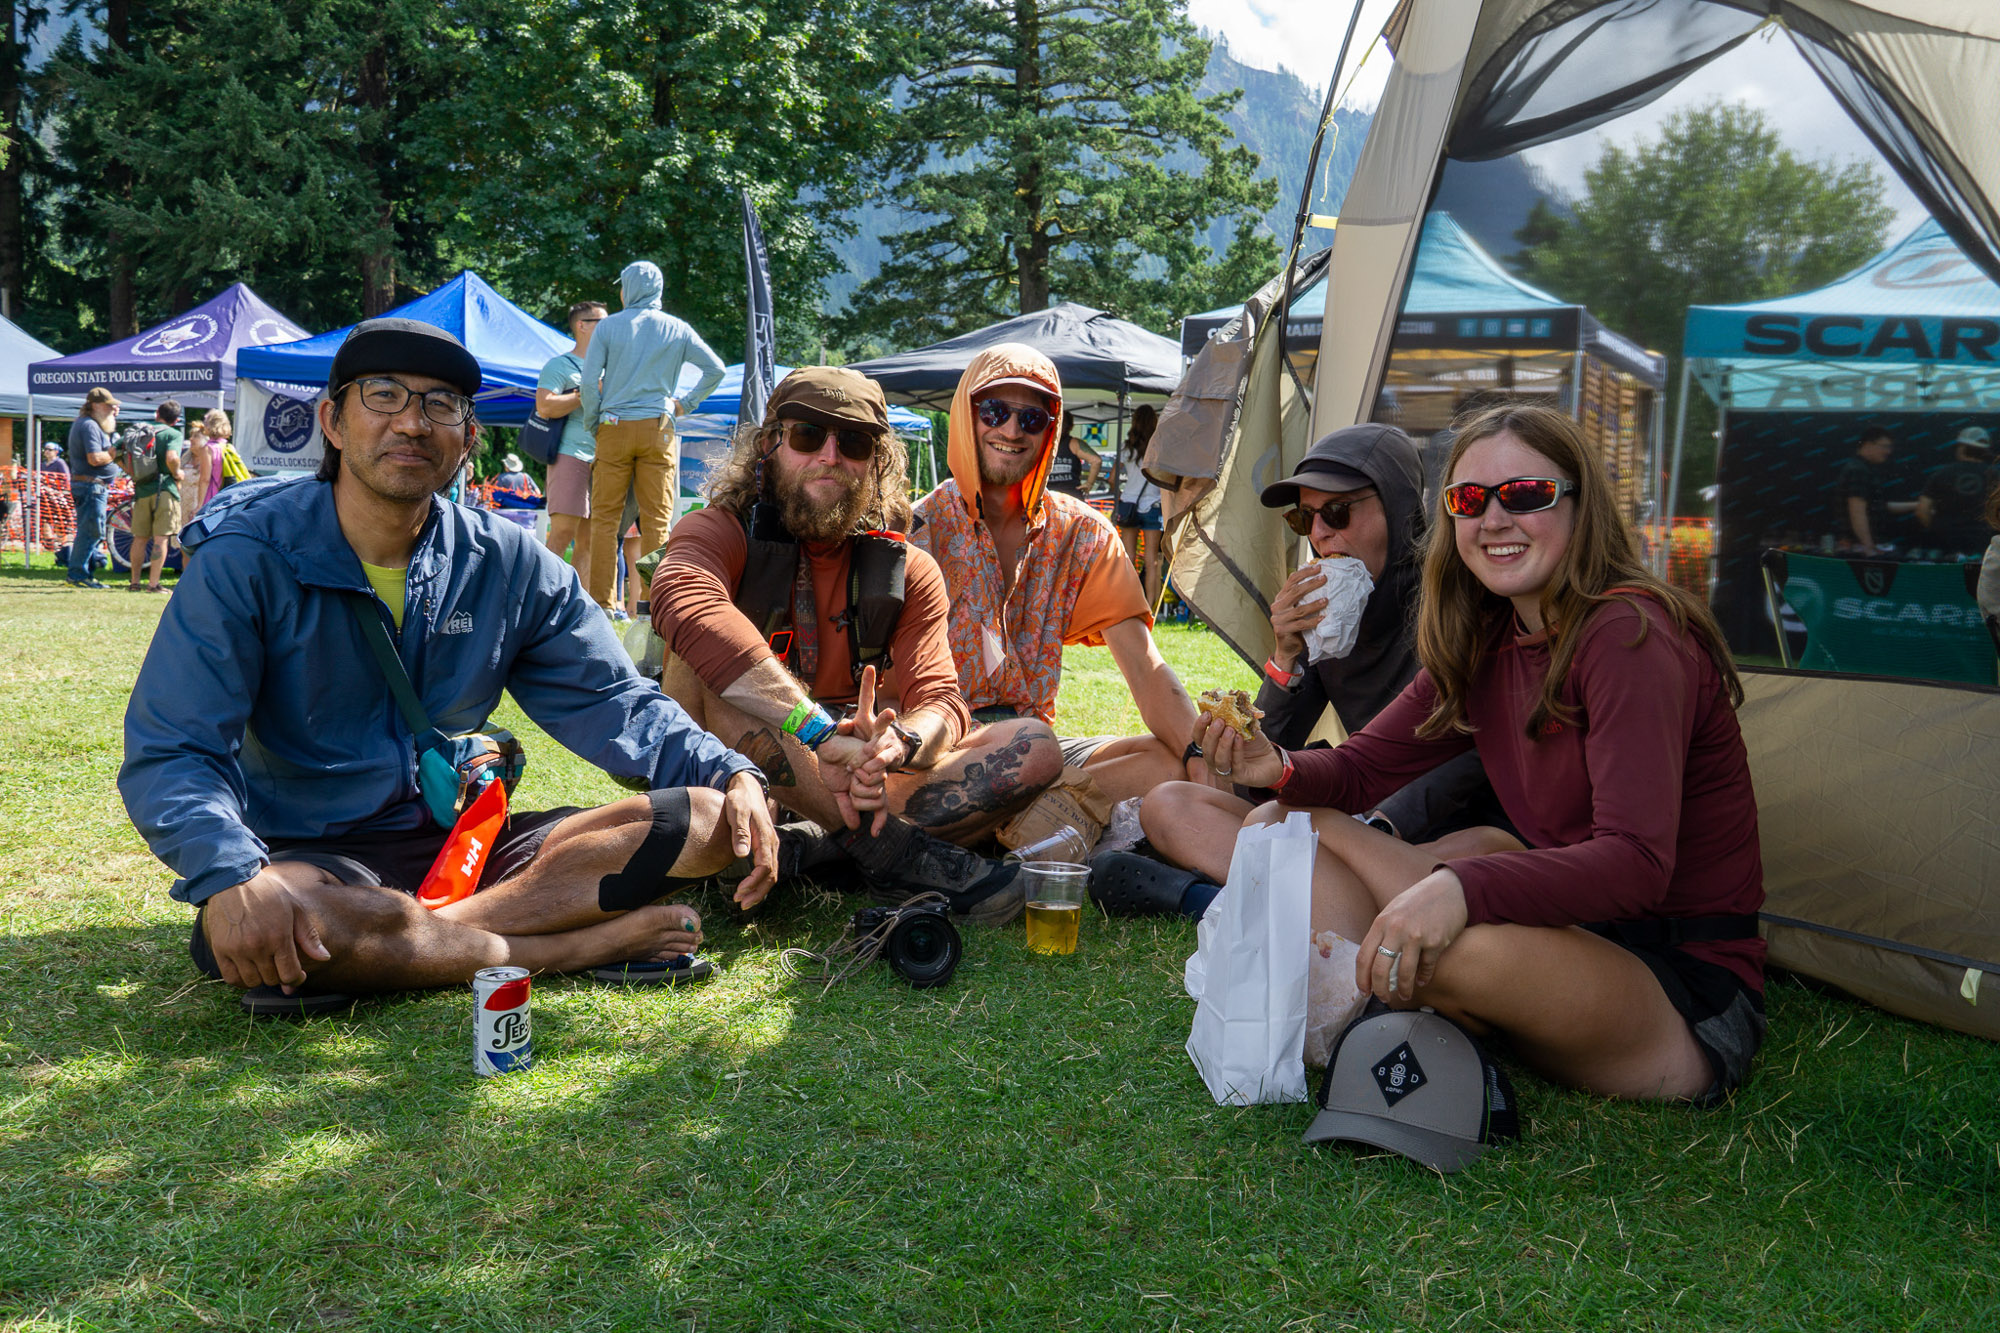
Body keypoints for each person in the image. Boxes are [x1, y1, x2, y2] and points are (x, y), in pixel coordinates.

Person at [119, 317, 778, 1009]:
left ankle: (408, 945)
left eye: (439, 404)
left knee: (705, 820)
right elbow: (174, 749)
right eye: (383, 395)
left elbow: (615, 697)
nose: (411, 422)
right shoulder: (247, 556)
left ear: (467, 440)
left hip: (471, 845)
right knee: (289, 919)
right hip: (313, 860)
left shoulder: (509, 561)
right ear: (332, 422)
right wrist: (229, 875)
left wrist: (728, 768)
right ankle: (576, 946)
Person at [1192, 404, 1765, 1105]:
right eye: (1469, 499)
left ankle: (1367, 1005)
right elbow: (1364, 767)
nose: (1493, 519)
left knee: (1436, 944)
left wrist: (1460, 889)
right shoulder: (1487, 633)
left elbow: (1637, 864)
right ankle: (1372, 1002)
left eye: (1524, 494)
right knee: (1281, 820)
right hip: (1569, 929)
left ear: (1580, 505)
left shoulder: (1627, 635)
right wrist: (1271, 765)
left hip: (1679, 988)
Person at [653, 366, 1062, 920]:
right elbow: (685, 601)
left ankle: (816, 845)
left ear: (876, 462)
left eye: (853, 442)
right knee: (706, 667)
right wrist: (819, 733)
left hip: (858, 778)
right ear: (769, 445)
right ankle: (888, 850)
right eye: (807, 436)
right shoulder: (718, 531)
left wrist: (899, 745)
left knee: (1032, 747)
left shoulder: (909, 568)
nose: (830, 455)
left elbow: (942, 700)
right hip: (732, 772)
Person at [1137, 423, 1509, 915]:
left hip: (1437, 831)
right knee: (1169, 805)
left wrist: (1377, 826)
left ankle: (1211, 900)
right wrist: (1286, 657)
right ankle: (1327, 898)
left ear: (1397, 511)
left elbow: (1477, 754)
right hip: (1352, 817)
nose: (1318, 534)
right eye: (1304, 519)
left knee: (1482, 848)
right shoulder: (1328, 614)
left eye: (1337, 512)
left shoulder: (1463, 604)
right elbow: (1261, 775)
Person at [910, 344, 1212, 802]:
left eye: (1032, 419)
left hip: (1042, 755)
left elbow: (1145, 666)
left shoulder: (1083, 533)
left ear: (1051, 430)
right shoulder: (918, 531)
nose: (1011, 430)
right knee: (1027, 750)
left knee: (1166, 764)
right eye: (994, 411)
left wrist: (1197, 753)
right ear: (966, 416)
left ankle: (992, 822)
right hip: (942, 749)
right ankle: (1030, 821)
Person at [578, 262, 726, 613]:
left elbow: (587, 382)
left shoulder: (609, 326)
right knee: (657, 520)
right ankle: (650, 603)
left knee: (604, 520)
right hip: (659, 427)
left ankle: (603, 604)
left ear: (626, 288)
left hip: (613, 426)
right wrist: (685, 404)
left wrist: (593, 422)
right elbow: (716, 369)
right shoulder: (678, 328)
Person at [537, 300, 606, 594]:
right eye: (603, 323)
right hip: (570, 455)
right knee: (563, 531)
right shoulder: (560, 365)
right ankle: (541, 598)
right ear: (582, 325)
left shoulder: (608, 367)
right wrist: (587, 391)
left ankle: (580, 606)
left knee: (589, 540)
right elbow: (544, 406)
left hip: (603, 460)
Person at [125, 400, 184, 593]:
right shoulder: (173, 433)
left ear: (157, 413)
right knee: (161, 539)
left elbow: (112, 452)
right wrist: (177, 474)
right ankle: (153, 584)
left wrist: (132, 473)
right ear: (175, 420)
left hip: (142, 490)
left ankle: (134, 583)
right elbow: (172, 458)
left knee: (139, 538)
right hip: (165, 490)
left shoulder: (140, 431)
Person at [65, 386, 121, 588]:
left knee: (91, 530)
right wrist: (114, 453)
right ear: (96, 405)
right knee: (90, 531)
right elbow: (95, 458)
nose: (112, 409)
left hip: (93, 486)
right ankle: (77, 574)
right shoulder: (88, 426)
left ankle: (84, 574)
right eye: (109, 406)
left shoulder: (92, 424)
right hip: (91, 486)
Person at [1112, 404, 1164, 608]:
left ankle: (1128, 605)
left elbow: (1112, 480)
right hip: (1153, 505)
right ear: (1154, 423)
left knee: (1128, 558)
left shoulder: (1126, 449)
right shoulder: (1159, 448)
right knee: (1151, 561)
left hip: (1129, 505)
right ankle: (1150, 607)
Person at [1916, 426, 1998, 557]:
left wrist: (1938, 531)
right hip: (1984, 543)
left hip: (1946, 543)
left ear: (1962, 448)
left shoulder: (1941, 473)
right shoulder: (1995, 474)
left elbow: (1922, 510)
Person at [1835, 426, 1917, 554]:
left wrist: (1918, 504)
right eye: (1885, 446)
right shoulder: (1858, 470)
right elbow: (1857, 512)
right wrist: (1869, 548)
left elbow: (1880, 506)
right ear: (1868, 445)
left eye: (1889, 447)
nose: (1888, 452)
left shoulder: (1863, 469)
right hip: (1859, 546)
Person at [1042, 410, 1102, 500]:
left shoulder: (1042, 443)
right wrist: (1089, 484)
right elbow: (1096, 461)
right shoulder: (1074, 444)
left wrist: (1089, 484)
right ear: (1071, 427)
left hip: (1049, 497)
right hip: (1070, 497)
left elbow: (1097, 461)